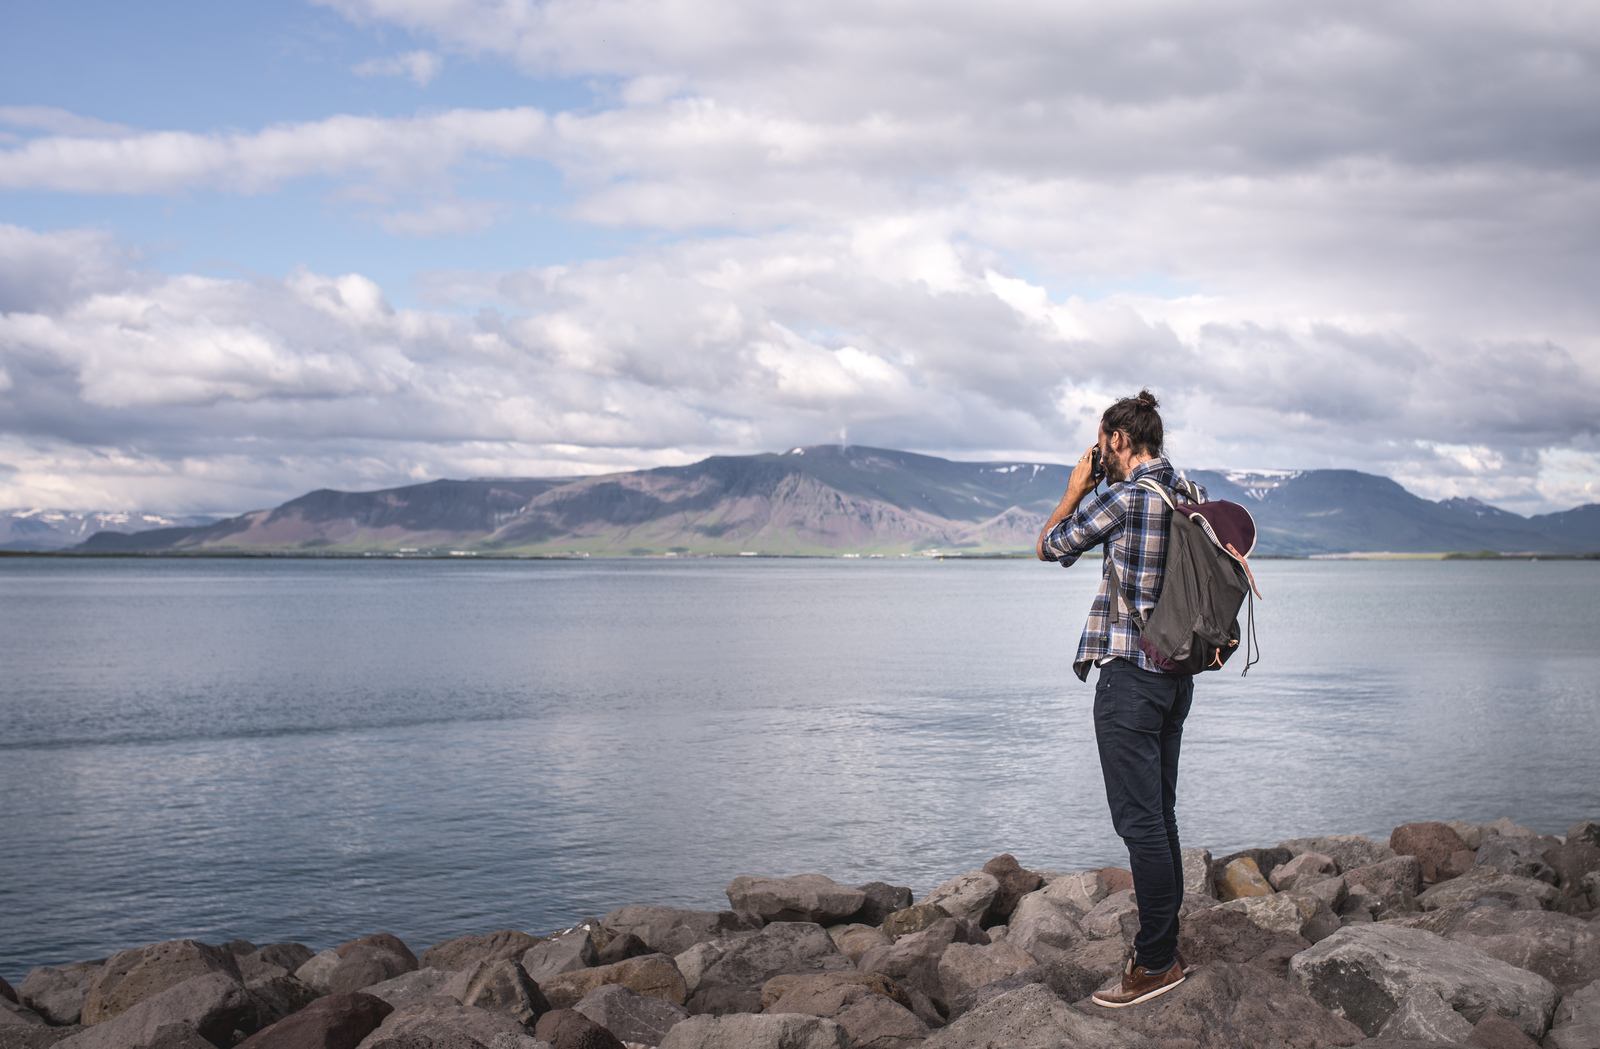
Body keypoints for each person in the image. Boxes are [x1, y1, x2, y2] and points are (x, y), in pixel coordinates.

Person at [1035, 389, 1199, 1008]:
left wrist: (1075, 489)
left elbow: (1051, 545)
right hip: (1175, 677)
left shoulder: (1128, 498)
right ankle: (1165, 947)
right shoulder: (1187, 491)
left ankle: (1155, 962)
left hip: (1130, 678)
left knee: (1139, 824)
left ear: (1120, 440)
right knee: (1160, 816)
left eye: (1102, 442)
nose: (1098, 452)